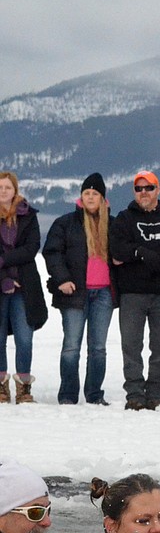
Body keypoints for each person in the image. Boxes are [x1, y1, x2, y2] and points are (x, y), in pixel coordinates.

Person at [110, 170, 160, 410]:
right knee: (131, 346)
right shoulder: (123, 219)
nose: (143, 193)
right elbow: (118, 251)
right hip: (132, 294)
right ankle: (134, 393)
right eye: (139, 188)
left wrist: (149, 256)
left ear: (158, 190)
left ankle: (155, 393)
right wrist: (143, 253)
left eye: (149, 188)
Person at [43, 172, 114, 405]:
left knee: (98, 348)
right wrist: (62, 279)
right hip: (74, 293)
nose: (90, 197)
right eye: (86, 193)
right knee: (71, 346)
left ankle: (94, 395)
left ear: (103, 198)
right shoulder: (65, 223)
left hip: (103, 293)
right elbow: (52, 252)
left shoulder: (112, 224)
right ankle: (67, 395)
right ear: (81, 197)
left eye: (95, 193)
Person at [0, 171, 46, 404]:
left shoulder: (28, 216)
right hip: (1, 286)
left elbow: (31, 248)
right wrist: (5, 278)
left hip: (25, 287)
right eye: (0, 188)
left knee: (24, 338)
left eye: (8, 187)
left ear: (15, 190)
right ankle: (1, 388)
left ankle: (24, 387)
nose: (3, 191)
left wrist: (4, 261)